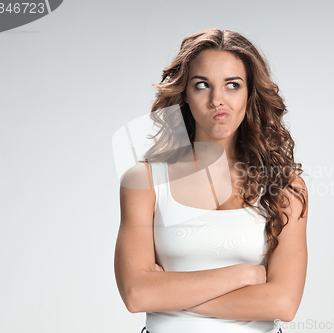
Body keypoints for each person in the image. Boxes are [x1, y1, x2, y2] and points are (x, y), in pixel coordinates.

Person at [114, 28, 308, 333]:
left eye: (232, 85)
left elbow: (282, 303)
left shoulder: (284, 187)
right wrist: (241, 276)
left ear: (250, 93)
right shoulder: (144, 181)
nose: (218, 99)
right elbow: (137, 294)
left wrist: (166, 293)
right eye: (202, 85)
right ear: (185, 95)